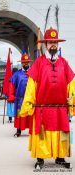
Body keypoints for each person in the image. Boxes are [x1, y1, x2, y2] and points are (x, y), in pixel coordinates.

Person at [20, 28, 75, 169]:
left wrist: (72, 102)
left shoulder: (63, 62)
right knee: (42, 133)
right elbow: (31, 85)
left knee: (61, 132)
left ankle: (60, 157)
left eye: (55, 42)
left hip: (60, 108)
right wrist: (28, 103)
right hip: (42, 108)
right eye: (50, 42)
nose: (53, 45)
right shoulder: (39, 63)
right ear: (45, 44)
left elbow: (72, 83)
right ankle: (40, 158)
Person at [8, 54, 33, 137]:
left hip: (30, 100)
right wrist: (11, 95)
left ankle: (31, 131)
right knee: (19, 114)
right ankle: (18, 130)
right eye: (24, 62)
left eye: (27, 62)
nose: (26, 64)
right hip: (20, 99)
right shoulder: (17, 74)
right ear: (22, 63)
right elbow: (12, 85)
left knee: (30, 114)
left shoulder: (33, 72)